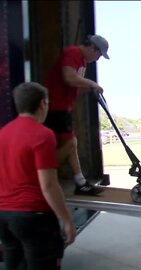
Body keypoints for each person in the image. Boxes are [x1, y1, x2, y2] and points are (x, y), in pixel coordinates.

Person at [0, 82, 76, 269]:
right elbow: (48, 185)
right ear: (42, 104)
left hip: (4, 216)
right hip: (34, 216)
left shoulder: (3, 133)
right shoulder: (42, 135)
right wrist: (66, 219)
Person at [44, 34, 110, 195]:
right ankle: (41, 173)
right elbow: (69, 78)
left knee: (71, 144)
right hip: (55, 106)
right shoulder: (73, 53)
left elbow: (75, 87)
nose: (98, 59)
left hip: (63, 107)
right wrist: (92, 83)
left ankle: (80, 182)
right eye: (99, 55)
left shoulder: (82, 61)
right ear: (92, 48)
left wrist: (90, 89)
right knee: (71, 144)